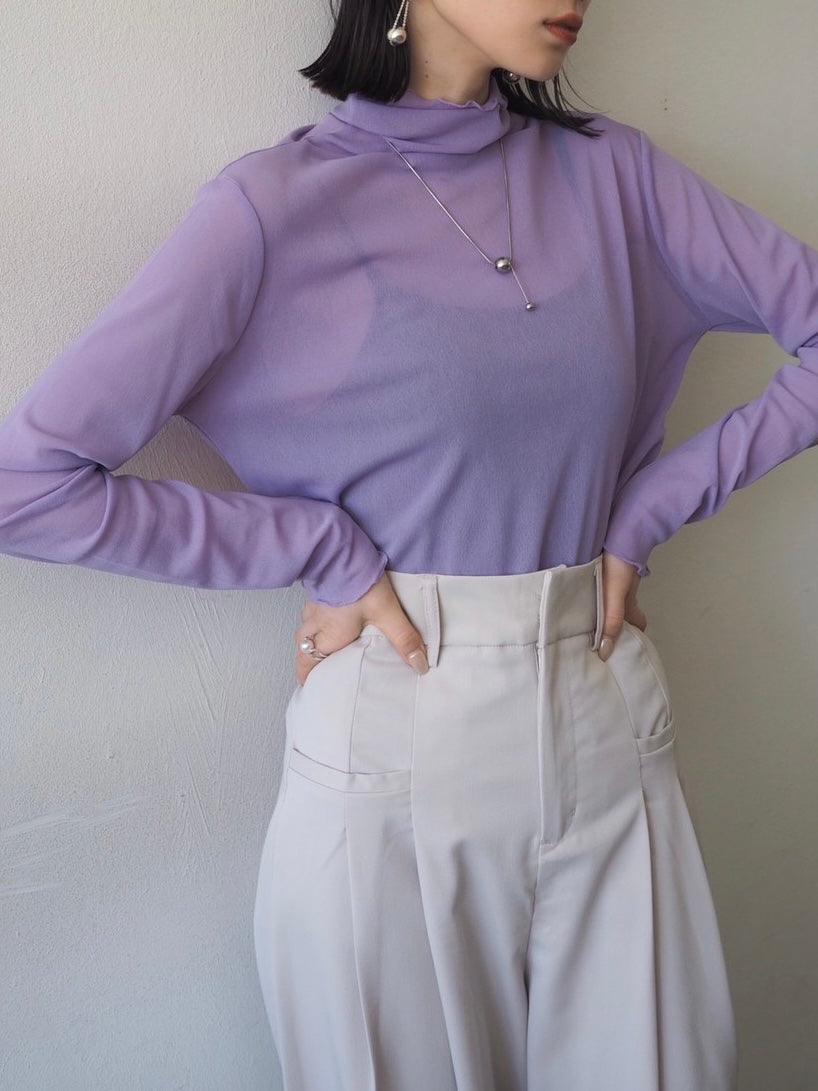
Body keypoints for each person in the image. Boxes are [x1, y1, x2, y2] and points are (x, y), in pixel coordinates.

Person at [1, 0, 817, 1087]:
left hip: (608, 716)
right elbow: (28, 484)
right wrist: (315, 545)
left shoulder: (616, 175)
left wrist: (648, 512)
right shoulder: (272, 207)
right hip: (392, 739)